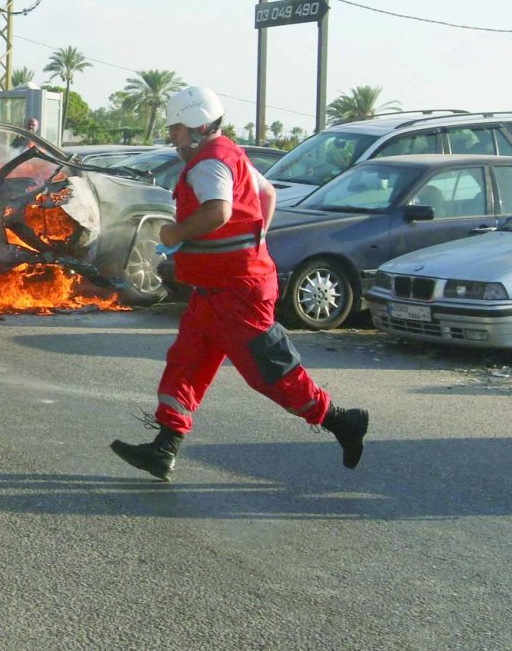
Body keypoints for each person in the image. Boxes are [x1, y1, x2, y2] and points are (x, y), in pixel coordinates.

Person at [110, 86, 369, 481]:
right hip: (216, 290)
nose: (172, 138)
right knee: (187, 362)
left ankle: (340, 421)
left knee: (269, 372)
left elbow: (218, 211)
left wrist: (176, 233)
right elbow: (265, 194)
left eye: (176, 129)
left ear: (197, 125)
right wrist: (255, 239)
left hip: (238, 293)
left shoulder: (208, 164)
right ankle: (165, 447)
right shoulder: (227, 154)